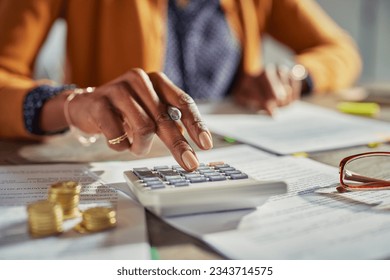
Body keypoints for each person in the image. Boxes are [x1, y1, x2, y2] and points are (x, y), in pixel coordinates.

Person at [0, 0, 361, 171]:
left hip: (243, 161)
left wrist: (296, 75)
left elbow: (340, 50)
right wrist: (69, 105)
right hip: (116, 163)